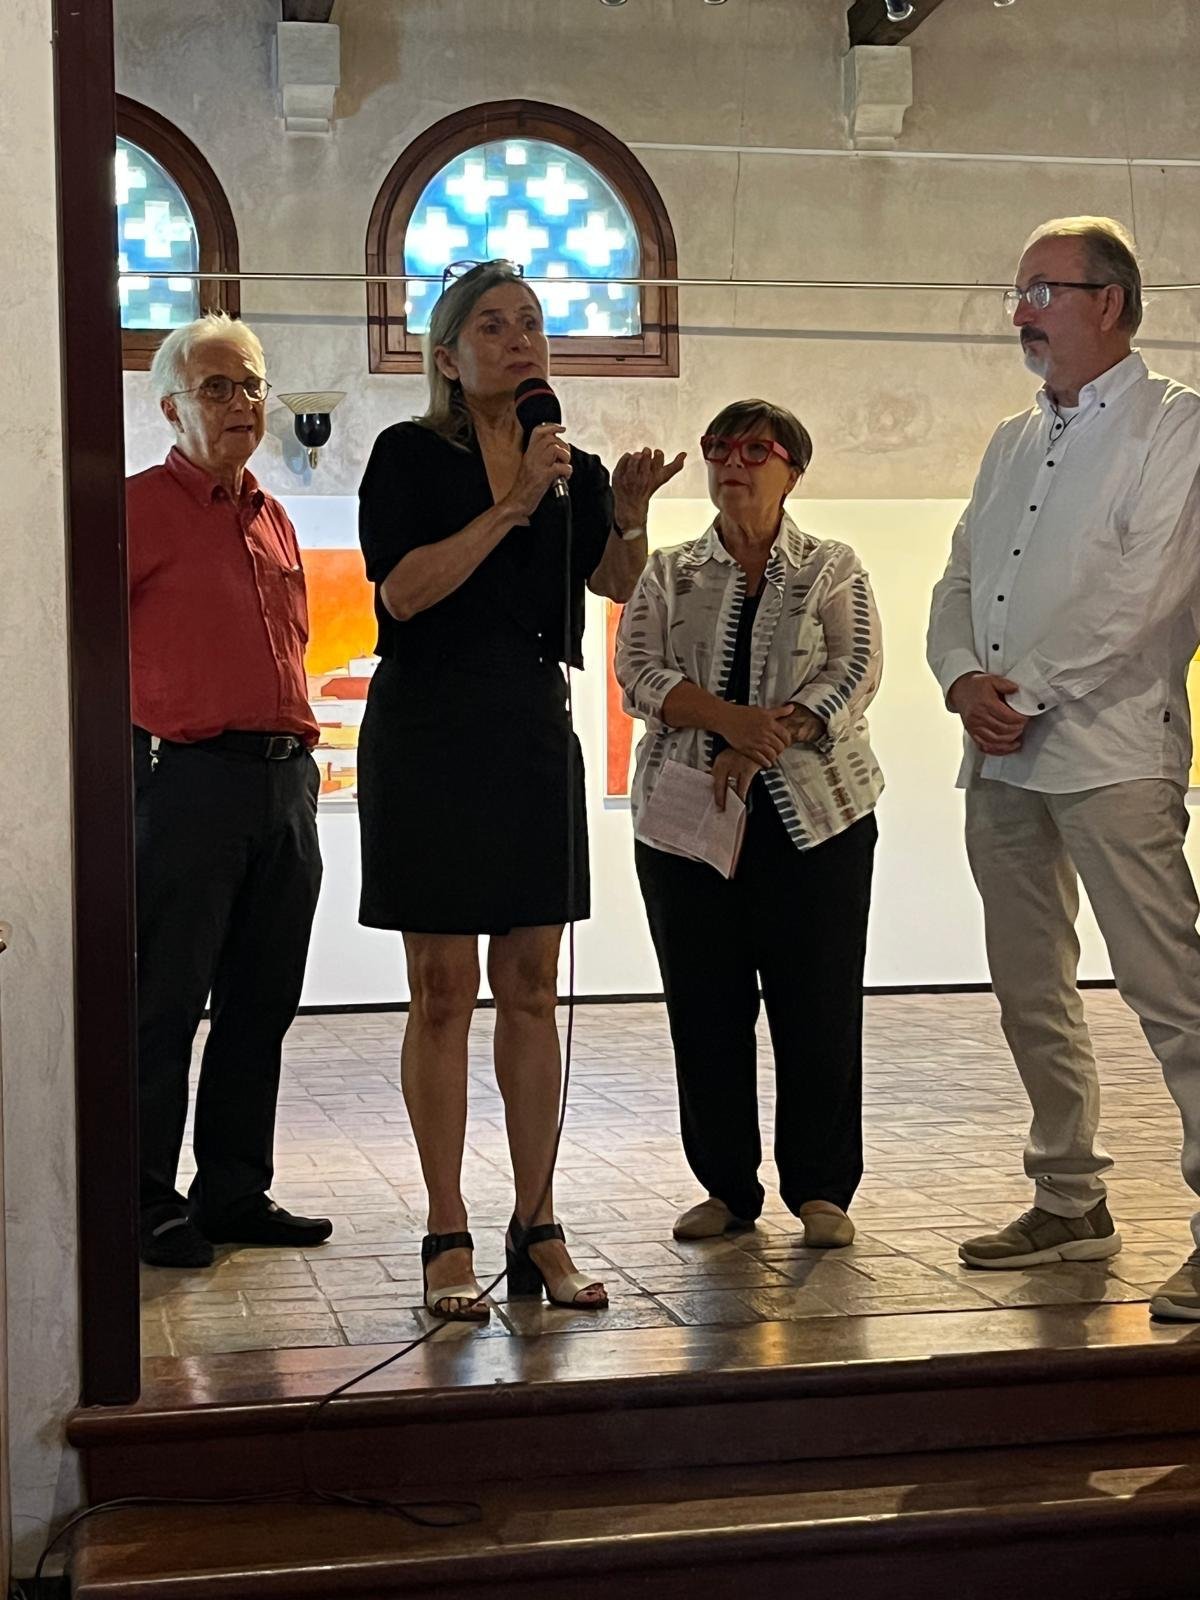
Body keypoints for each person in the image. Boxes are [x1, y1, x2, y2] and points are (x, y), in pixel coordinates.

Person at [357, 261, 682, 1321]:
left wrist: (625, 513)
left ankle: (537, 1220)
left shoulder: (571, 465)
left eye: (531, 324)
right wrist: (512, 505)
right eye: (492, 326)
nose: (518, 340)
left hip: (531, 729)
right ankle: (446, 1224)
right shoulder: (408, 455)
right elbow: (404, 593)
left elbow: (615, 584)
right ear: (449, 358)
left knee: (533, 984)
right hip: (428, 730)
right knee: (443, 988)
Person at [927, 216, 1200, 1322]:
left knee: (1172, 993)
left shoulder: (1176, 426)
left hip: (1113, 752)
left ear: (1111, 304)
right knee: (1029, 988)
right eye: (1019, 291)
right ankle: (1068, 1199)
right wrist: (961, 679)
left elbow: (1145, 597)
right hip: (1002, 759)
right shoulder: (1009, 440)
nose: (1021, 313)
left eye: (1043, 290)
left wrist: (1023, 692)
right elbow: (959, 575)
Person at [616, 400, 884, 1248]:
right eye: (719, 449)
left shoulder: (832, 566)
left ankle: (822, 1190)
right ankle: (727, 1188)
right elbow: (638, 672)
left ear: (792, 469)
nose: (733, 464)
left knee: (820, 1005)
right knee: (705, 1010)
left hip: (820, 821)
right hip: (686, 827)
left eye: (755, 450)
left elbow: (855, 668)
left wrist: (769, 736)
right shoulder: (670, 571)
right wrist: (730, 724)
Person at [128, 312, 331, 1269]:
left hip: (285, 785)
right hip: (188, 784)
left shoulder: (273, 514)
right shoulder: (133, 510)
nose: (242, 401)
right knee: (164, 1003)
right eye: (218, 387)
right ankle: (142, 1199)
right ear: (173, 407)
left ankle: (234, 1189)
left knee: (262, 1000)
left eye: (252, 384)